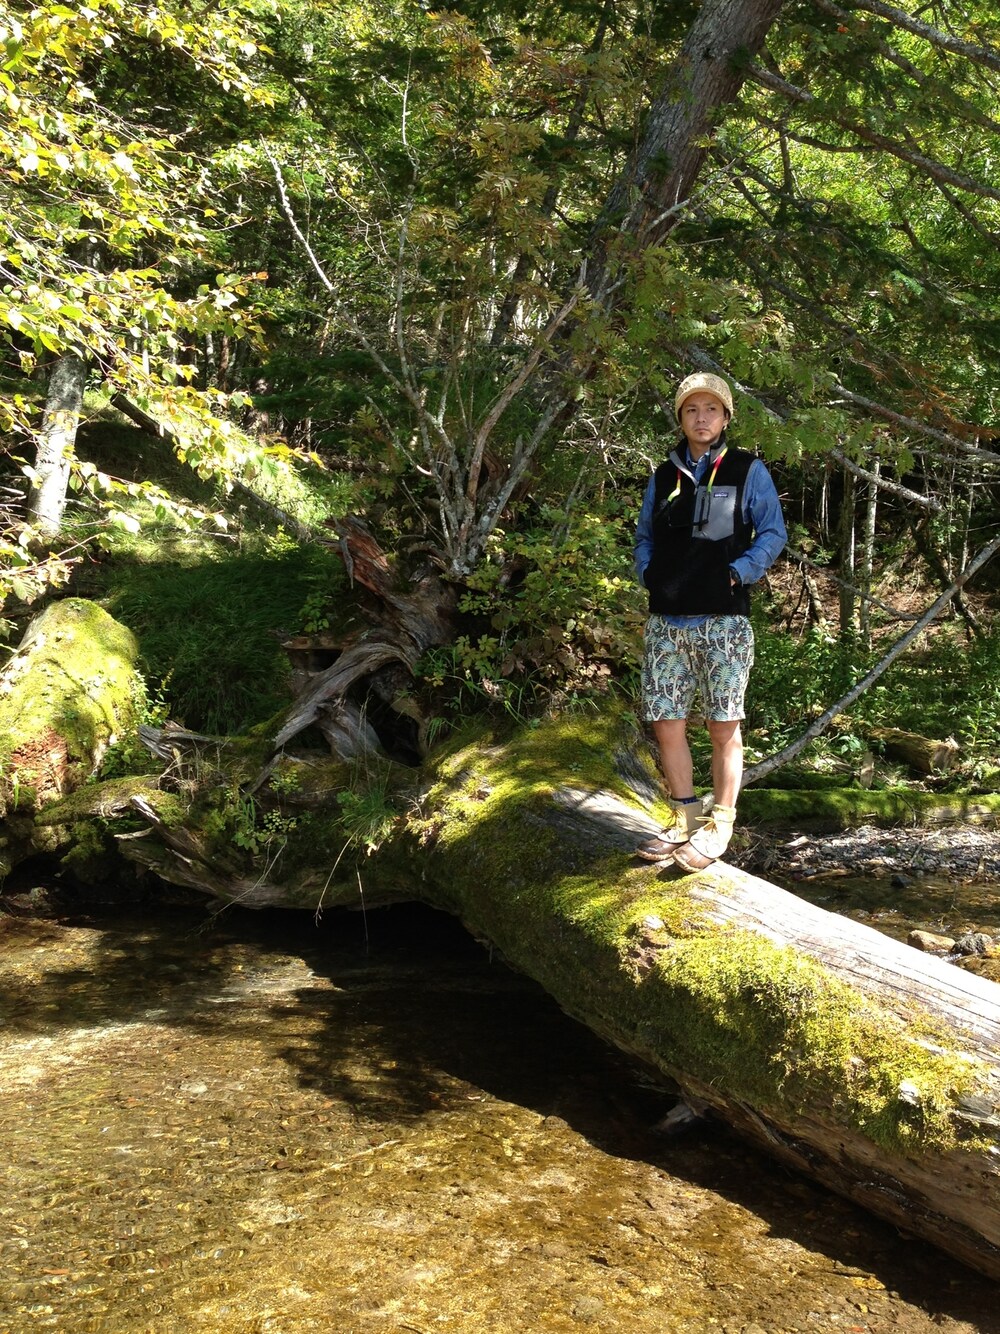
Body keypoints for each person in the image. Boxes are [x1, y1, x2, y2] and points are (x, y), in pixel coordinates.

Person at [633, 371, 786, 869]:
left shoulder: (747, 469)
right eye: (692, 410)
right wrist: (648, 574)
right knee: (666, 722)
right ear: (681, 418)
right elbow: (644, 538)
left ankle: (720, 824)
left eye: (712, 409)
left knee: (723, 724)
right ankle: (685, 818)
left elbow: (773, 532)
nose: (702, 418)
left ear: (725, 417)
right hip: (667, 622)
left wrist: (739, 573)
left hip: (724, 621)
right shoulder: (664, 476)